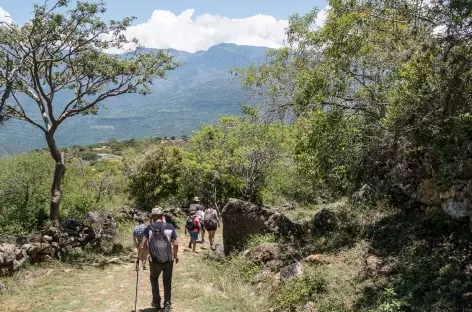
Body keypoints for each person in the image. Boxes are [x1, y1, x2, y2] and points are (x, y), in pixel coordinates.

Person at [140, 207, 179, 312]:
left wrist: (141, 257)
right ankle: (167, 305)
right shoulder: (170, 226)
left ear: (152, 217)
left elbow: (142, 246)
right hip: (168, 260)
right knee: (167, 282)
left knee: (154, 279)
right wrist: (175, 256)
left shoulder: (149, 228)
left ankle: (156, 303)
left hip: (154, 261)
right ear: (162, 216)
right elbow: (175, 243)